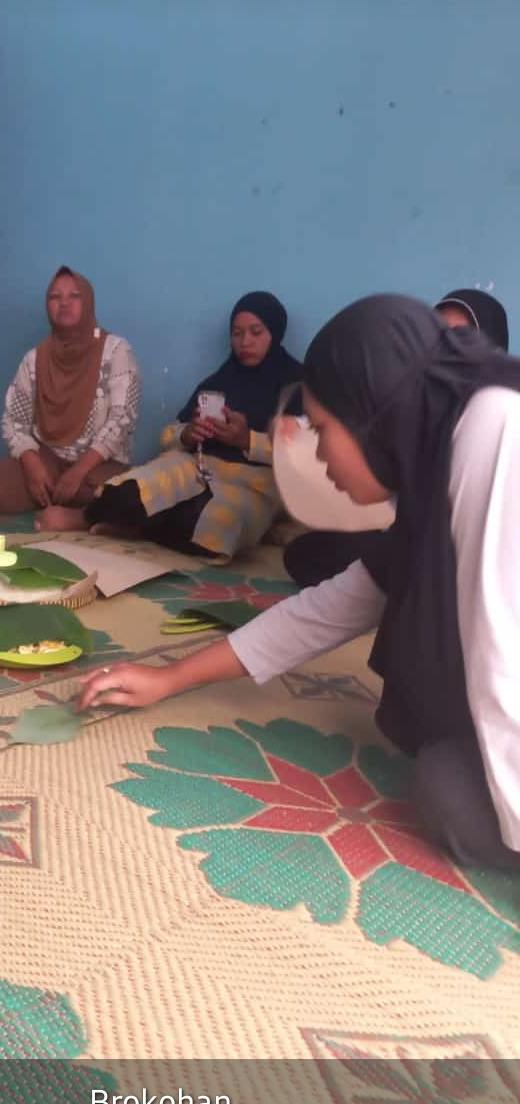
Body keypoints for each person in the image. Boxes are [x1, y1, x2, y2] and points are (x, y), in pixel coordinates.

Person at [78, 294, 520, 873]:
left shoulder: (495, 434)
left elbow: (501, 661)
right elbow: (335, 607)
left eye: (325, 425)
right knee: (436, 756)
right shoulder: (439, 458)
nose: (317, 449)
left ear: (375, 413)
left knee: (452, 794)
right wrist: (169, 678)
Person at [282, 288, 510, 588]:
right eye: (439, 338)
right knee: (315, 554)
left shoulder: (495, 432)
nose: (445, 351)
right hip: (392, 534)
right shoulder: (415, 418)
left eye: (460, 338)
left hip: (460, 563)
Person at [85, 292, 303, 562]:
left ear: (275, 332)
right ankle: (124, 518)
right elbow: (168, 436)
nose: (245, 342)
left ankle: (141, 525)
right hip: (194, 467)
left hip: (254, 485)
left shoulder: (297, 387)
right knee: (126, 493)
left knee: (218, 528)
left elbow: (308, 455)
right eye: (237, 334)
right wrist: (187, 434)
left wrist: (247, 440)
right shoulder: (220, 380)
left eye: (256, 332)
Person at [0, 267, 141, 529]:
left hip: (100, 464)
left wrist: (78, 471)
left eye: (74, 296)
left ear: (88, 302)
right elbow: (13, 421)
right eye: (55, 297)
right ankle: (41, 489)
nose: (64, 303)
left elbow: (123, 419)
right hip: (48, 459)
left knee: (123, 498)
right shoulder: (35, 358)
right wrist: (32, 466)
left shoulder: (117, 351)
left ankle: (62, 502)